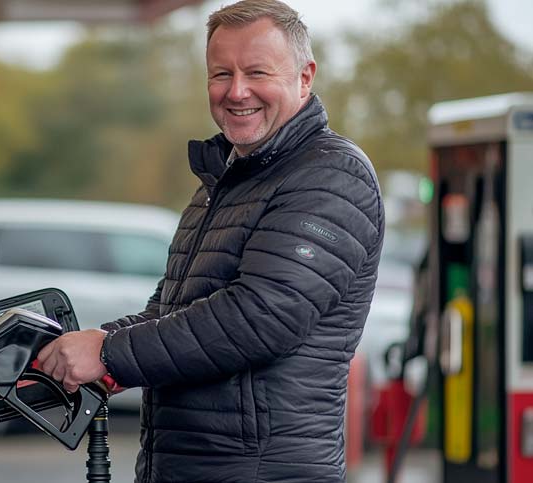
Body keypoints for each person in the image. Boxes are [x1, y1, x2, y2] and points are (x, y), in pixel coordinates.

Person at [36, 1, 384, 481]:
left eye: (256, 72)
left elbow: (259, 317)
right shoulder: (224, 182)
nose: (236, 91)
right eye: (221, 74)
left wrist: (109, 353)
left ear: (305, 77)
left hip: (259, 470)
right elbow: (171, 311)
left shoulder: (330, 176)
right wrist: (87, 348)